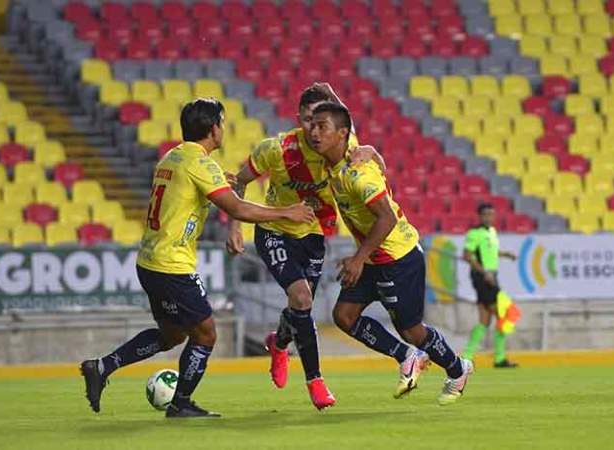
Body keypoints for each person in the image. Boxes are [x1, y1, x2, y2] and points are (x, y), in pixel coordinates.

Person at [80, 98, 315, 418]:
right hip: (172, 265)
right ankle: (181, 403)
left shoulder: (172, 157)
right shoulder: (201, 164)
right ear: (212, 128)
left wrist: (225, 189)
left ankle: (102, 366)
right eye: (221, 122)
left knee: (173, 335)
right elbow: (237, 208)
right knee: (205, 334)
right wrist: (287, 211)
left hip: (149, 261)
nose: (223, 128)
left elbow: (196, 192)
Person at [226, 83, 384, 410]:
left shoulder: (340, 147)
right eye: (309, 119)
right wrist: (235, 226)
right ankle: (315, 381)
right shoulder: (277, 148)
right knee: (301, 297)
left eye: (320, 120)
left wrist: (372, 151)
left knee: (300, 307)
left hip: (312, 233)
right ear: (298, 117)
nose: (314, 128)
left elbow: (353, 131)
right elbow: (239, 180)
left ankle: (278, 343)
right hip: (273, 230)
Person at [309, 102, 473, 405]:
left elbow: (387, 218)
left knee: (412, 330)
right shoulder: (342, 153)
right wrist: (326, 93)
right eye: (312, 125)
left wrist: (358, 258)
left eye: (322, 127)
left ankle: (458, 368)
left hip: (398, 257)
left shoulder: (359, 174)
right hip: (373, 257)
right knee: (344, 316)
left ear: (341, 134)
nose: (313, 132)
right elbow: (346, 116)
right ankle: (407, 356)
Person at [462, 203, 519, 368]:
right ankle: (499, 358)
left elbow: (490, 252)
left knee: (485, 320)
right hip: (482, 278)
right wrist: (484, 272)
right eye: (486, 214)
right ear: (479, 216)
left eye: (492, 214)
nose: (489, 217)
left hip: (491, 276)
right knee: (504, 314)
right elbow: (467, 255)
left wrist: (506, 254)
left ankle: (467, 356)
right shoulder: (474, 233)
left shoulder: (492, 232)